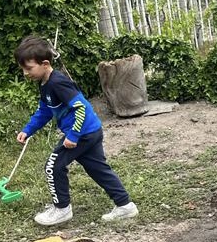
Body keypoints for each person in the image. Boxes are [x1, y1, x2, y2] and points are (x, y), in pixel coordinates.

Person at [15, 36, 138, 226]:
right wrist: (28, 129)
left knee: (53, 166)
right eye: (23, 68)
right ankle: (125, 205)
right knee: (98, 169)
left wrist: (73, 136)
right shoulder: (45, 84)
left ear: (45, 63)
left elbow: (81, 107)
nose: (25, 73)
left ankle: (62, 209)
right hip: (90, 131)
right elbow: (45, 110)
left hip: (82, 134)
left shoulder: (58, 83)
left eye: (29, 68)